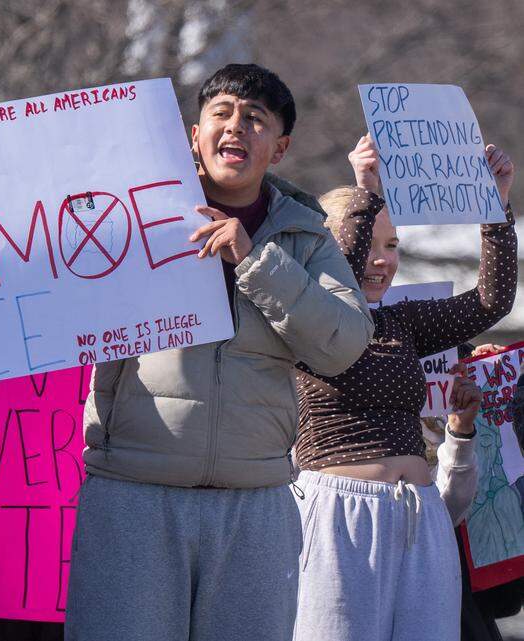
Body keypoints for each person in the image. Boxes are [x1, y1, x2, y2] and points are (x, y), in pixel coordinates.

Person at [65, 63, 374, 641]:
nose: (237, 128)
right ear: (193, 135)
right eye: (223, 114)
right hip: (132, 493)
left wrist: (256, 260)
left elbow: (344, 346)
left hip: (255, 505)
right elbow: (28, 290)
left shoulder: (306, 237)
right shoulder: (124, 215)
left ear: (279, 149)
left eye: (255, 120)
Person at [291, 134, 515, 641]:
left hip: (421, 518)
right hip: (339, 518)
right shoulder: (302, 319)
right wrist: (365, 189)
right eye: (366, 244)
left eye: (391, 246)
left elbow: (491, 301)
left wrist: (495, 204)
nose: (380, 261)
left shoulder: (404, 322)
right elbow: (339, 283)